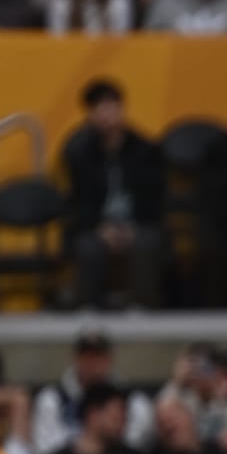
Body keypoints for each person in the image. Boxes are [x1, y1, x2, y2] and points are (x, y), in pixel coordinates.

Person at [61, 80, 166, 312]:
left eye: (111, 107)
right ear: (90, 115)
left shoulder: (145, 149)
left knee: (146, 242)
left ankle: (143, 307)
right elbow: (79, 201)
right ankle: (88, 307)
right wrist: (100, 227)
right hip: (98, 225)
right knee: (87, 245)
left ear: (122, 109)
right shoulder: (81, 154)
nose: (107, 115)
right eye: (99, 109)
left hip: (138, 222)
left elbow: (154, 197)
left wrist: (133, 228)